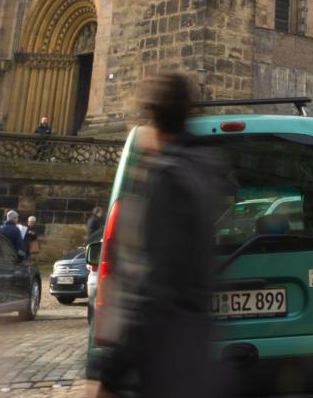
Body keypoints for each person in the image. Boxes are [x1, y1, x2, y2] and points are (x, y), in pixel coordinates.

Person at [80, 73, 229, 398]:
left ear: (153, 118)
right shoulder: (207, 166)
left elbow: (154, 290)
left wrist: (112, 374)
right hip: (194, 349)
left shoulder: (168, 177)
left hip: (166, 360)